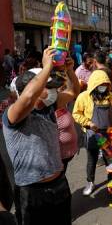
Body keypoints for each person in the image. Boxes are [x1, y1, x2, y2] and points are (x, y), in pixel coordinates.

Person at [2, 48, 71, 224]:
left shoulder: (48, 108)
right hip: (31, 193)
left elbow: (73, 92)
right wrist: (46, 67)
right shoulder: (13, 115)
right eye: (46, 88)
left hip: (59, 186)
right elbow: (29, 97)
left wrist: (69, 71)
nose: (52, 93)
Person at [72, 70, 112, 196]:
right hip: (92, 134)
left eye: (105, 84)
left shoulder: (109, 95)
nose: (103, 87)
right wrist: (88, 123)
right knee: (91, 159)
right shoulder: (84, 97)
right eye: (100, 85)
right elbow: (76, 114)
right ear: (94, 85)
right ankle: (90, 182)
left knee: (110, 159)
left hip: (108, 133)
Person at [54, 58, 81, 173]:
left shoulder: (60, 100)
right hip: (55, 158)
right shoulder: (50, 103)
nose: (63, 89)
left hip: (66, 155)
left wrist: (70, 70)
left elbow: (75, 91)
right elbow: (73, 92)